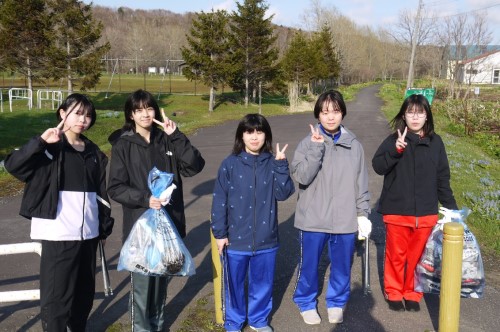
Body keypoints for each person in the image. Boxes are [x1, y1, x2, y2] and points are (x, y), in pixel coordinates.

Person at [4, 94, 114, 332]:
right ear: (63, 114)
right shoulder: (49, 148)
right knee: (57, 301)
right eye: (77, 113)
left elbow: (102, 196)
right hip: (58, 235)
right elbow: (13, 166)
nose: (83, 120)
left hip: (88, 237)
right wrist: (41, 142)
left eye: (87, 115)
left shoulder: (94, 152)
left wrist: (103, 228)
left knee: (83, 298)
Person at [107, 89, 205, 331]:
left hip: (169, 224)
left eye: (149, 108)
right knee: (142, 285)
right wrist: (144, 198)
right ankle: (141, 328)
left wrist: (177, 135)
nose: (145, 114)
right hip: (140, 225)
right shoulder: (123, 145)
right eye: (138, 110)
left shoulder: (166, 139)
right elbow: (115, 187)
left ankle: (158, 326)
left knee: (161, 281)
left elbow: (194, 166)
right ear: (130, 114)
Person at [372, 94, 458, 312]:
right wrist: (396, 150)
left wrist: (452, 211)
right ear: (404, 115)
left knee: (418, 258)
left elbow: (442, 178)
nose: (415, 117)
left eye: (420, 112)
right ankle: (393, 291)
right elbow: (378, 166)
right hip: (398, 212)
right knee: (396, 256)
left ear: (427, 115)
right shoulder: (394, 139)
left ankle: (412, 292)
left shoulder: (435, 142)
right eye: (411, 112)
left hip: (426, 214)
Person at [291, 90, 370, 325]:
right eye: (325, 112)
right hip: (312, 219)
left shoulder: (354, 145)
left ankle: (336, 301)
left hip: (344, 219)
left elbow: (361, 182)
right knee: (309, 266)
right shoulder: (307, 143)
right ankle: (305, 301)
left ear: (342, 113)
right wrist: (316, 149)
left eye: (335, 111)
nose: (331, 117)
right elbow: (302, 177)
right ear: (318, 115)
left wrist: (362, 214)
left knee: (342, 266)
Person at [211, 114, 295, 332]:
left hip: (266, 239)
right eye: (249, 132)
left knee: (263, 285)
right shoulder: (230, 164)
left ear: (266, 135)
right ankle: (234, 321)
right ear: (242, 136)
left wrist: (281, 165)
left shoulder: (272, 162)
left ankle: (258, 320)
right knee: (234, 285)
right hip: (235, 240)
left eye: (259, 131)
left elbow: (284, 193)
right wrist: (220, 234)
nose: (254, 137)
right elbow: (219, 200)